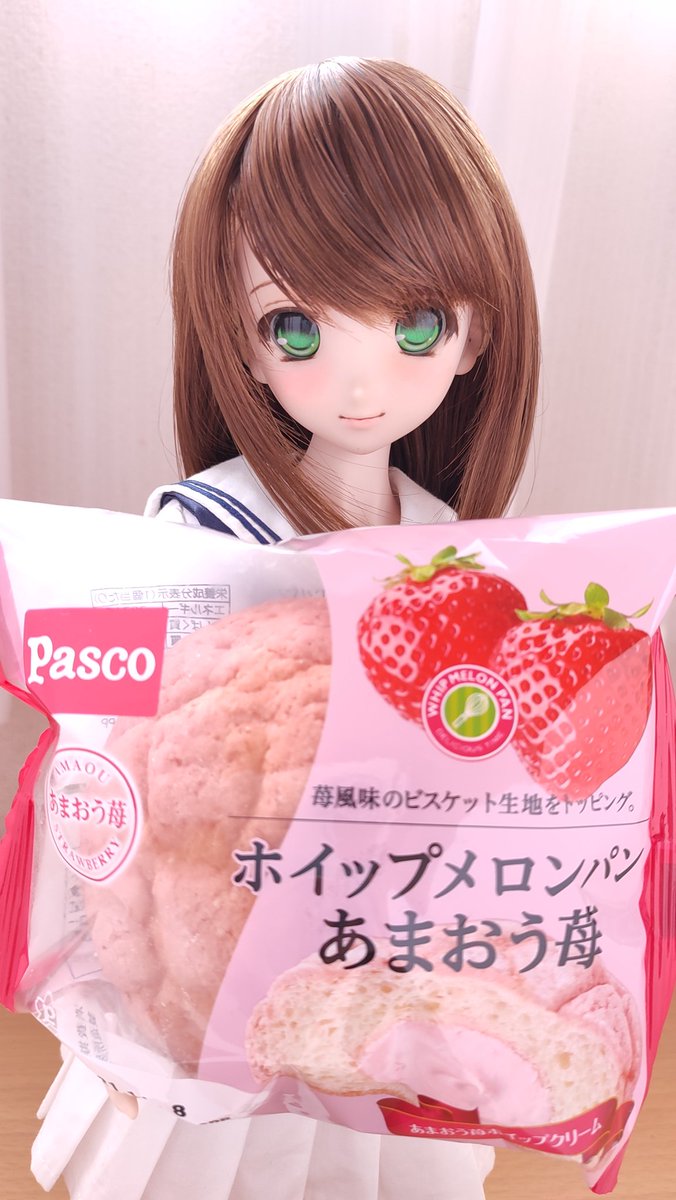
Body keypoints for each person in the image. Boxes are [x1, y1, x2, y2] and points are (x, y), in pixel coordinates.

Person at [32, 57, 540, 1199]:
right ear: (241, 340)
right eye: (298, 328)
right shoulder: (205, 530)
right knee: (210, 1148)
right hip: (212, 924)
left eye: (415, 324)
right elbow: (112, 765)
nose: (361, 381)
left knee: (365, 1145)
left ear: (475, 335)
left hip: (381, 931)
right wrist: (110, 985)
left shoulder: (452, 544)